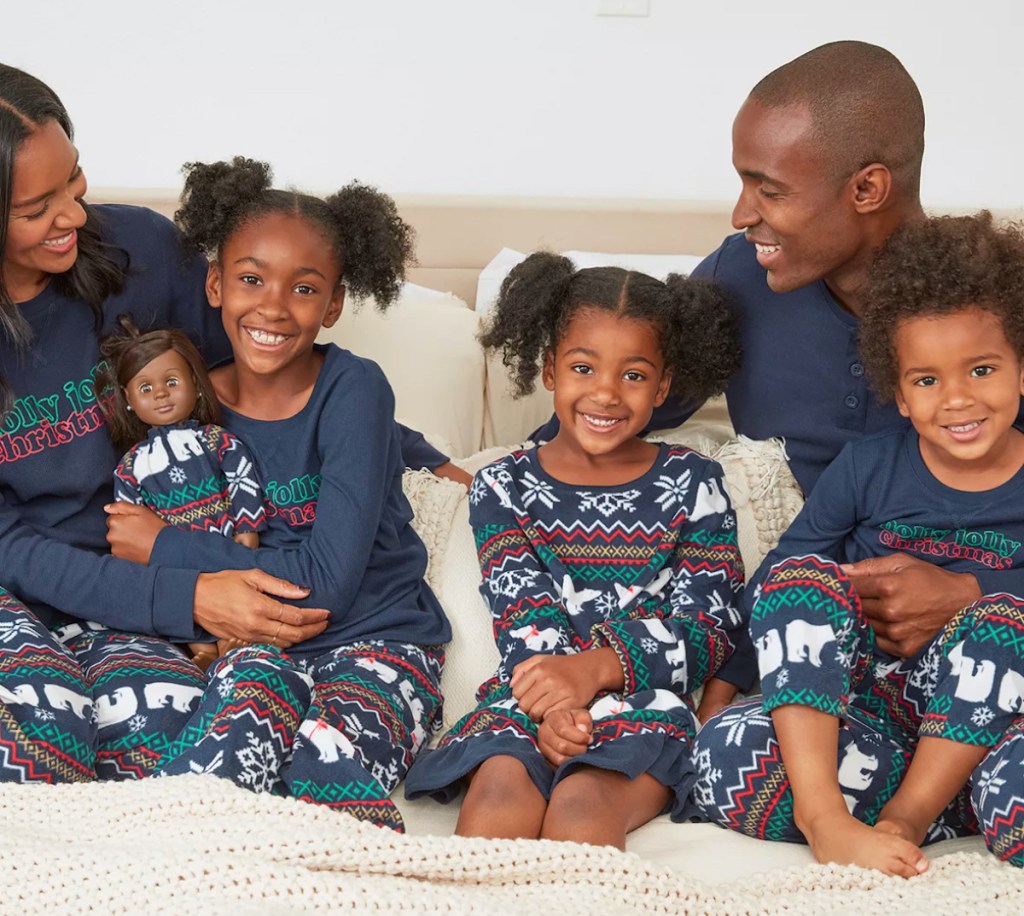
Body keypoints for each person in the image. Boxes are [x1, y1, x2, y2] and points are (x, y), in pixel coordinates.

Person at [0, 62, 333, 784]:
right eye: (37, 208)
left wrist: (411, 449)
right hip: (22, 589)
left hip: (141, 583)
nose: (76, 216)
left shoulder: (143, 255)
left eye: (74, 180)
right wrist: (184, 598)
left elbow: (263, 378)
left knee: (179, 758)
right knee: (40, 740)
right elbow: (8, 546)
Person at [105, 157, 450, 831]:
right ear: (215, 285)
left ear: (334, 303)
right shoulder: (187, 404)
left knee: (323, 773)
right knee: (206, 751)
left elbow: (326, 581)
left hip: (375, 642)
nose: (271, 306)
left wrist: (166, 545)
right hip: (245, 646)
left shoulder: (356, 388)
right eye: (251, 279)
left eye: (303, 288)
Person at [691, 213, 1024, 875]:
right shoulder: (867, 466)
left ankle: (910, 817)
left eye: (981, 369)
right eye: (926, 380)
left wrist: (979, 596)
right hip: (870, 709)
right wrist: (721, 689)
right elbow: (786, 574)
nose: (956, 399)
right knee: (725, 752)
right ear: (898, 394)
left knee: (1002, 627)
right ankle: (829, 820)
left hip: (996, 721)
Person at [404, 252, 745, 848]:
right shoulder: (502, 485)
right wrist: (554, 707)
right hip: (530, 694)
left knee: (582, 805)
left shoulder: (695, 482)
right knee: (498, 794)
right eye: (584, 368)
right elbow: (522, 611)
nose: (607, 394)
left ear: (663, 385)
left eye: (634, 375)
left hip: (647, 703)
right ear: (550, 371)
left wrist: (595, 670)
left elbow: (711, 625)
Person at [99, 316, 267, 669]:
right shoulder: (131, 466)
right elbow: (127, 521)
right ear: (128, 399)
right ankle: (203, 650)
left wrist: (247, 528)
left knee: (234, 587)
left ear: (195, 382)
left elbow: (242, 480)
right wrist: (138, 567)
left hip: (224, 547)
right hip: (170, 561)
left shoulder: (216, 440)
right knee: (184, 596)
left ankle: (230, 640)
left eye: (171, 381)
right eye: (145, 388)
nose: (160, 393)